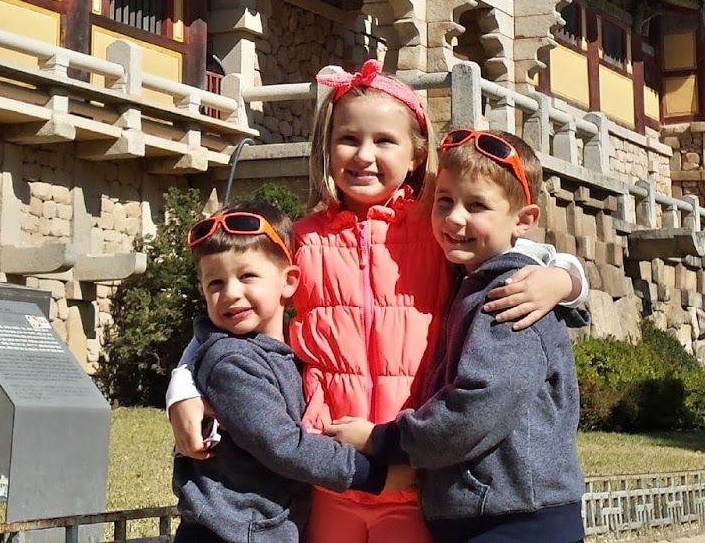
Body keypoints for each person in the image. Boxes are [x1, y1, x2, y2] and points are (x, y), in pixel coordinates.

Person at [170, 60, 588, 543]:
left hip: (414, 472)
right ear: (326, 148)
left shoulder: (438, 231)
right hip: (330, 469)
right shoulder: (302, 241)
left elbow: (514, 255)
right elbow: (233, 314)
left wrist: (565, 279)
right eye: (348, 139)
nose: (364, 155)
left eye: (384, 141)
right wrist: (183, 384)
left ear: (416, 155)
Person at [326, 129, 586, 543]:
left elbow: (477, 409)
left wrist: (382, 440)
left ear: (524, 220)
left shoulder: (510, 296)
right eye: (444, 201)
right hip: (495, 511)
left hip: (513, 519)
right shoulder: (472, 279)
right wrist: (568, 278)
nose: (454, 218)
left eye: (476, 205)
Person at [172, 200, 410, 543]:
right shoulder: (231, 362)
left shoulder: (288, 352)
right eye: (215, 283)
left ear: (289, 281)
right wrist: (374, 476)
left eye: (247, 276)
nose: (231, 294)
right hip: (230, 534)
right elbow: (283, 445)